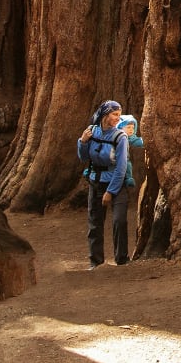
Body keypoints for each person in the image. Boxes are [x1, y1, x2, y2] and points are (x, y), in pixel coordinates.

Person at [78, 100, 132, 269]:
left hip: (116, 183)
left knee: (119, 221)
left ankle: (121, 259)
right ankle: (95, 261)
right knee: (94, 223)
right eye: (114, 114)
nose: (118, 118)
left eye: (119, 114)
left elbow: (121, 167)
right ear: (105, 114)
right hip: (96, 182)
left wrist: (111, 191)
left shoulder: (120, 137)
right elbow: (84, 157)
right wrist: (83, 141)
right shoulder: (92, 132)